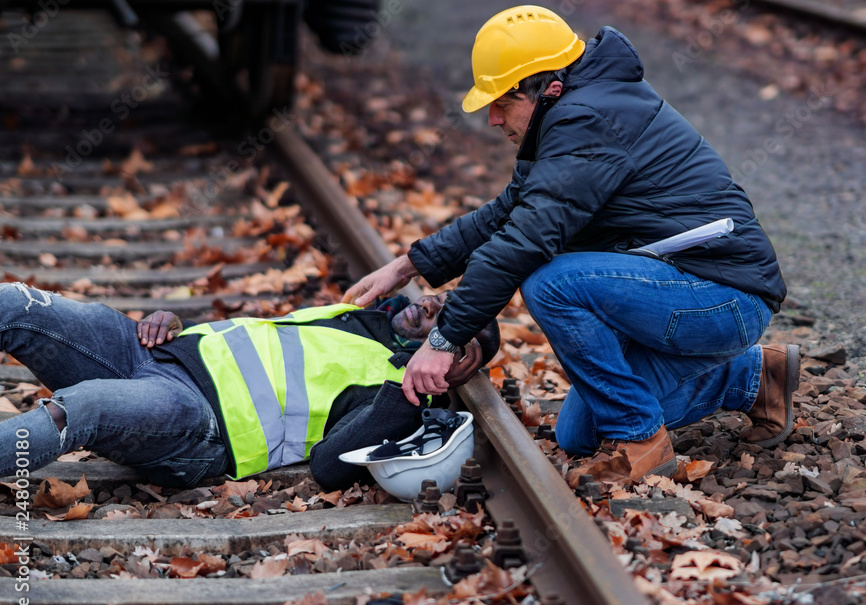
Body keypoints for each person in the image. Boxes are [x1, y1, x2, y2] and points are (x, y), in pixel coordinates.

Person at [344, 5, 796, 484]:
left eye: (503, 102)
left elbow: (526, 239)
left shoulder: (588, 121)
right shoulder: (568, 117)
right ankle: (753, 377)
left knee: (552, 283)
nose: (493, 119)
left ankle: (641, 439)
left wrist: (444, 339)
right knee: (579, 434)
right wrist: (408, 265)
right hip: (681, 287)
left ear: (549, 89)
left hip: (723, 295)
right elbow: (507, 212)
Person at [0, 282, 500, 490]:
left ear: (456, 365)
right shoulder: (359, 314)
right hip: (153, 354)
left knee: (79, 409)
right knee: (14, 302)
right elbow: (255, 345)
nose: (432, 308)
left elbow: (329, 467)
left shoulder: (392, 390)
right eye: (442, 299)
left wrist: (413, 387)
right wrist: (177, 324)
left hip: (196, 418)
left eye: (450, 328)